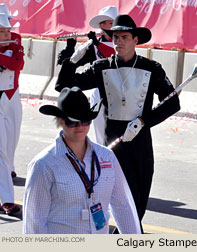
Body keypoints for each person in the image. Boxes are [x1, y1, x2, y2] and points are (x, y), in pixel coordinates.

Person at [55, 14, 181, 229]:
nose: (118, 42)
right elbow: (64, 86)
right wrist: (72, 61)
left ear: (135, 40)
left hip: (140, 138)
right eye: (115, 38)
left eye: (124, 37)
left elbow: (172, 103)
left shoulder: (152, 68)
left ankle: (128, 233)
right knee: (116, 196)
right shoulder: (101, 67)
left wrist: (144, 121)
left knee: (139, 196)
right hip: (113, 140)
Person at [23, 87, 141, 234]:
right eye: (72, 122)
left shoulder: (107, 157)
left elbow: (123, 207)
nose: (80, 126)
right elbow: (34, 223)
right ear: (60, 121)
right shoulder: (43, 164)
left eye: (85, 120)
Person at [57, 6, 118, 144]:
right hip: (99, 89)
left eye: (114, 23)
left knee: (114, 132)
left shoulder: (122, 41)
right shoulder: (94, 44)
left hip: (117, 89)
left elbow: (113, 56)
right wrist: (69, 50)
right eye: (109, 23)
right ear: (102, 26)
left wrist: (96, 43)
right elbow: (75, 61)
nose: (112, 27)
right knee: (100, 129)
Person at [0, 13, 24, 217]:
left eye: (7, 29)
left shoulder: (16, 40)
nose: (7, 33)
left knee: (10, 147)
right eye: (1, 31)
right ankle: (7, 199)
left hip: (12, 96)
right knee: (1, 152)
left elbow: (17, 65)